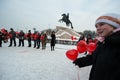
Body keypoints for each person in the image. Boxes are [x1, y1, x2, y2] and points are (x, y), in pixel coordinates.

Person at [73, 13, 120, 80]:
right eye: (96, 26)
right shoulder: (102, 43)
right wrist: (80, 61)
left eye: (101, 24)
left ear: (114, 25)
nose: (98, 28)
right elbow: (94, 57)